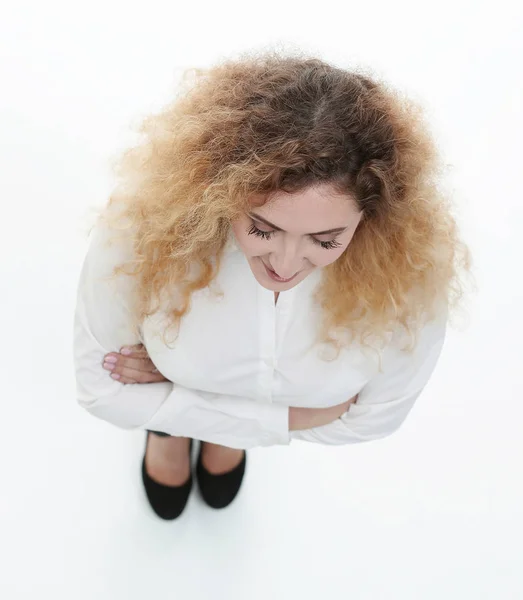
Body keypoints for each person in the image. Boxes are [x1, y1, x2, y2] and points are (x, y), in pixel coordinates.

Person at [73, 50, 471, 520]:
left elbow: (375, 421)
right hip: (279, 411)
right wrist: (293, 417)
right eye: (262, 229)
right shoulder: (141, 228)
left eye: (325, 240)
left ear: (368, 218)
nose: (284, 263)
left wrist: (178, 398)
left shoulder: (411, 272)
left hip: (178, 396)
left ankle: (173, 428)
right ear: (223, 191)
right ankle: (171, 434)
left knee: (185, 419)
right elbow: (99, 391)